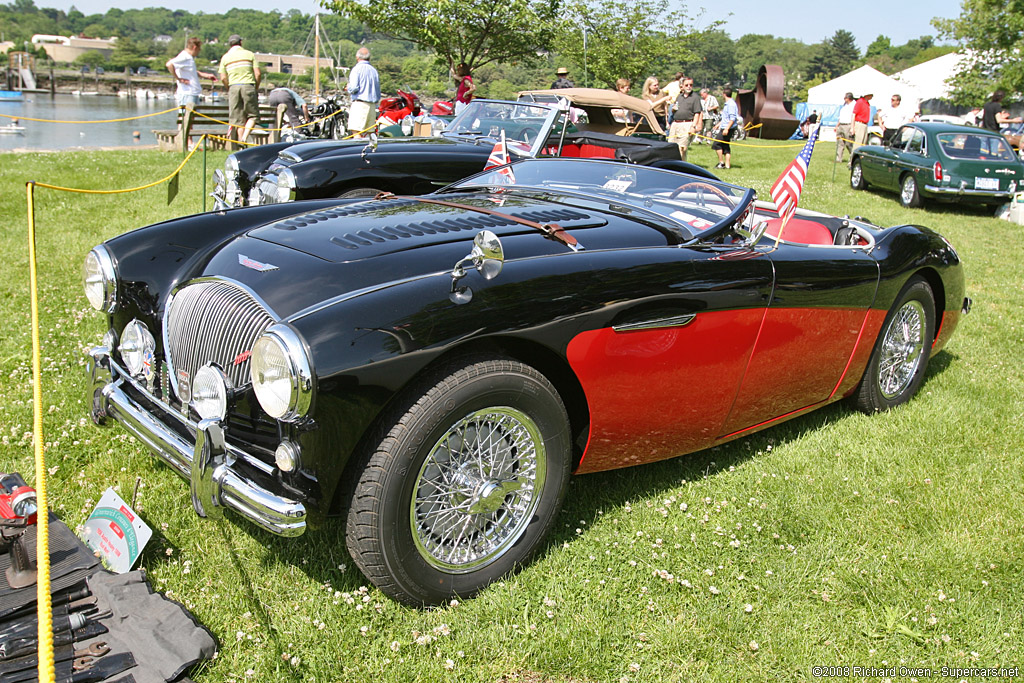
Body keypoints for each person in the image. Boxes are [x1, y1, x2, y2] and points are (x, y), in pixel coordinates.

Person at [218, 34, 261, 148]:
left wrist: (229, 87)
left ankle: (241, 144)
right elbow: (258, 73)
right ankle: (244, 138)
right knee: (253, 116)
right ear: (241, 42)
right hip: (248, 85)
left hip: (233, 87)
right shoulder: (249, 54)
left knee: (238, 119)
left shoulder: (225, 57)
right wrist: (255, 87)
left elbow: (222, 77)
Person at [166, 36, 216, 108]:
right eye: (199, 49)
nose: (199, 51)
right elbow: (169, 64)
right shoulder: (185, 56)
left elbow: (190, 71)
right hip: (187, 93)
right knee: (187, 117)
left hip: (192, 93)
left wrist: (206, 75)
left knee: (193, 117)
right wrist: (179, 79)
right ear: (195, 47)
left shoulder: (188, 57)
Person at [347, 46, 380, 138]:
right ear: (369, 58)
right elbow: (377, 90)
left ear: (357, 57)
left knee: (357, 132)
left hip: (360, 104)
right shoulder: (374, 71)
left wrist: (348, 87)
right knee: (370, 134)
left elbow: (353, 88)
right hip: (372, 105)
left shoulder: (356, 69)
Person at [665, 77, 702, 161]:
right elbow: (675, 108)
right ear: (682, 86)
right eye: (686, 85)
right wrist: (673, 109)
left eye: (691, 85)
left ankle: (681, 165)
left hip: (687, 124)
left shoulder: (695, 97)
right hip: (675, 123)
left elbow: (697, 113)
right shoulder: (679, 96)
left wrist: (693, 127)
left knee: (682, 148)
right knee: (671, 147)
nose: (689, 87)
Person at [712, 86, 739, 169]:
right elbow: (725, 118)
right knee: (725, 146)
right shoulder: (728, 104)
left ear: (724, 94)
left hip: (728, 128)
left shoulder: (731, 104)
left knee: (716, 144)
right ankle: (727, 165)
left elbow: (732, 118)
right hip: (725, 126)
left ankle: (721, 163)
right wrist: (718, 125)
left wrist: (726, 128)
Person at [835, 91, 855, 163]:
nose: (844, 99)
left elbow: (854, 117)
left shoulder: (854, 105)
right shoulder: (844, 106)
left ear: (848, 98)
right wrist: (837, 126)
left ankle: (852, 157)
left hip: (848, 125)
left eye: (845, 98)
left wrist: (852, 127)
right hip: (841, 125)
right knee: (840, 142)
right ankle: (838, 158)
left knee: (848, 143)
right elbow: (840, 117)